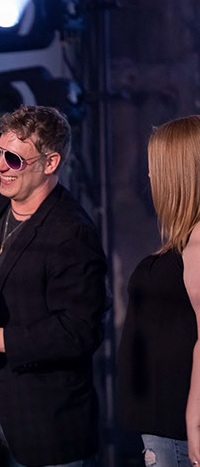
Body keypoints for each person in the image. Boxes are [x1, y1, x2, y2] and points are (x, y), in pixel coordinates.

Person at [0, 106, 108, 467]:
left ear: (50, 162)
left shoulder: (71, 231)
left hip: (45, 424)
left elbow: (79, 331)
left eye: (13, 159)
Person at [117, 115, 200, 466]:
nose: (150, 176)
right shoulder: (188, 239)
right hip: (164, 427)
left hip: (177, 430)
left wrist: (194, 421)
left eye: (155, 166)